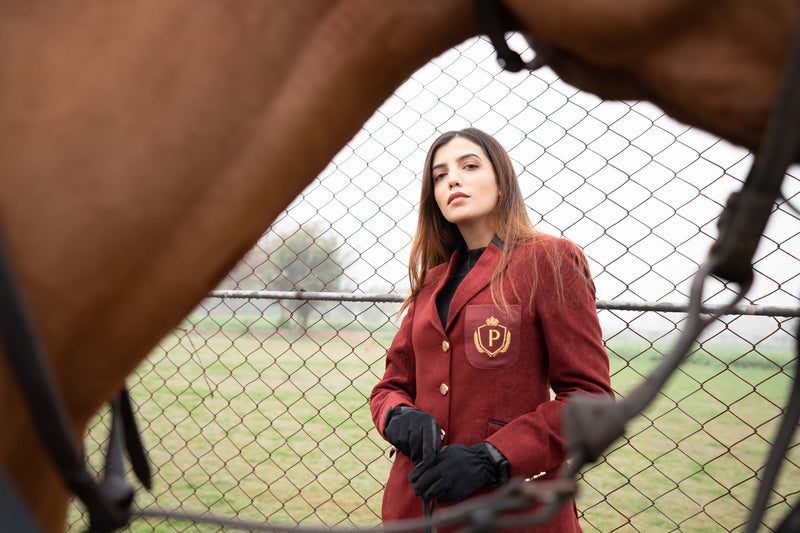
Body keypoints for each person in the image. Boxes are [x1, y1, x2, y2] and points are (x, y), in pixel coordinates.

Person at [369, 128, 614, 532]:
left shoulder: (548, 260)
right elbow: (390, 386)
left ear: (502, 182)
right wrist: (398, 416)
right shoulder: (430, 282)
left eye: (469, 166)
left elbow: (590, 399)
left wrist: (493, 457)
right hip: (414, 510)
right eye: (439, 174)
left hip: (509, 511)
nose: (452, 179)